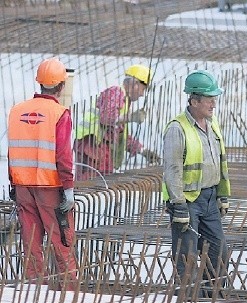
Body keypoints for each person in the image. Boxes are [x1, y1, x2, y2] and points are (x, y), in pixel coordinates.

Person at [8, 57, 78, 290]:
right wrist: (68, 188)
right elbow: (63, 156)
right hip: (50, 188)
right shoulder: (59, 113)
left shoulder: (17, 111)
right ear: (60, 86)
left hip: (22, 187)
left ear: (39, 84)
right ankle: (69, 291)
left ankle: (33, 291)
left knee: (31, 243)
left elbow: (12, 150)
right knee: (62, 241)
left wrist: (13, 182)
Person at [162, 69, 231, 298]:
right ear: (194, 100)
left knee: (219, 251)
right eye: (209, 99)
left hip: (210, 198)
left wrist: (222, 195)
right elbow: (172, 170)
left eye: (214, 98)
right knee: (187, 254)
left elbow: (219, 162)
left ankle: (213, 297)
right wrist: (178, 204)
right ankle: (187, 299)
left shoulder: (213, 124)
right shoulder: (177, 128)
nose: (214, 103)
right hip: (188, 200)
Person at [74, 64, 161, 181]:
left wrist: (142, 150)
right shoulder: (116, 92)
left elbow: (120, 136)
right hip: (91, 148)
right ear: (135, 84)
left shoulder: (124, 102)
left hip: (101, 152)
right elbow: (106, 118)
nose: (142, 94)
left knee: (100, 189)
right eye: (143, 89)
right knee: (88, 187)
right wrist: (130, 117)